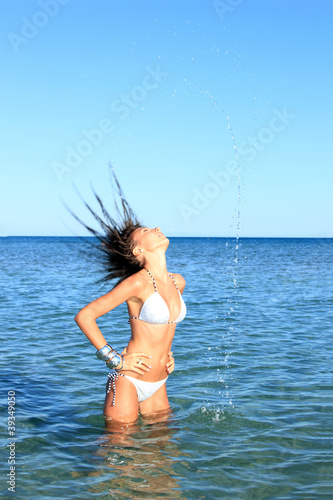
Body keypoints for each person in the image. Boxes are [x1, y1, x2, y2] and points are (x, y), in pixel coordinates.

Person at [73, 168, 187, 424]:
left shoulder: (177, 282)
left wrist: (169, 355)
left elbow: (164, 328)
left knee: (163, 453)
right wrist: (113, 359)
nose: (156, 228)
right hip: (128, 380)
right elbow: (85, 316)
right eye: (147, 230)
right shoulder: (136, 283)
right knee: (115, 456)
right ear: (138, 250)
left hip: (160, 380)